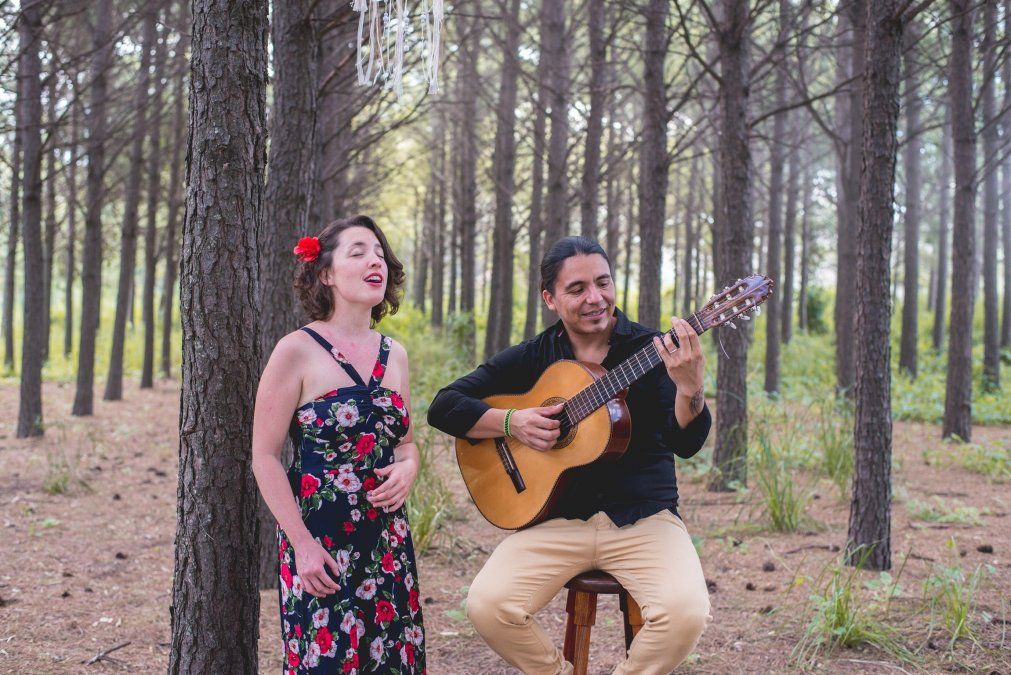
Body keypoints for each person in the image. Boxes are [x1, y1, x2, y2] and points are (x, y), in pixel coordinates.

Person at [427, 236, 711, 675]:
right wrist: (511, 422)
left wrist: (690, 390)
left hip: (643, 519)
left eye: (603, 283)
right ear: (550, 298)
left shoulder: (651, 350)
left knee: (686, 612)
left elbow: (686, 443)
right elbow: (444, 406)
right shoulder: (536, 356)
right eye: (577, 289)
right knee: (487, 605)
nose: (595, 298)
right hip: (556, 518)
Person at [252, 215, 426, 674]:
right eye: (359, 252)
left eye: (380, 254)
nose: (375, 261)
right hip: (320, 546)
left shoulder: (395, 355)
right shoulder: (297, 350)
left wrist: (409, 467)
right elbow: (265, 457)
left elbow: (405, 444)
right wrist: (302, 545)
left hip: (388, 544)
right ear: (326, 274)